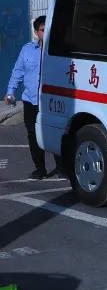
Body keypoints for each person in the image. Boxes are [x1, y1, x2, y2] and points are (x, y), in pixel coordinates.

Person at [4, 16, 62, 180]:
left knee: (55, 133)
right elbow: (18, 71)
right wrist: (10, 91)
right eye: (43, 30)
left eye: (48, 28)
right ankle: (40, 169)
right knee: (33, 135)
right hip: (31, 100)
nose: (46, 32)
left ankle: (62, 168)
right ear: (36, 32)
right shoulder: (27, 50)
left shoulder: (58, 50)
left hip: (51, 101)